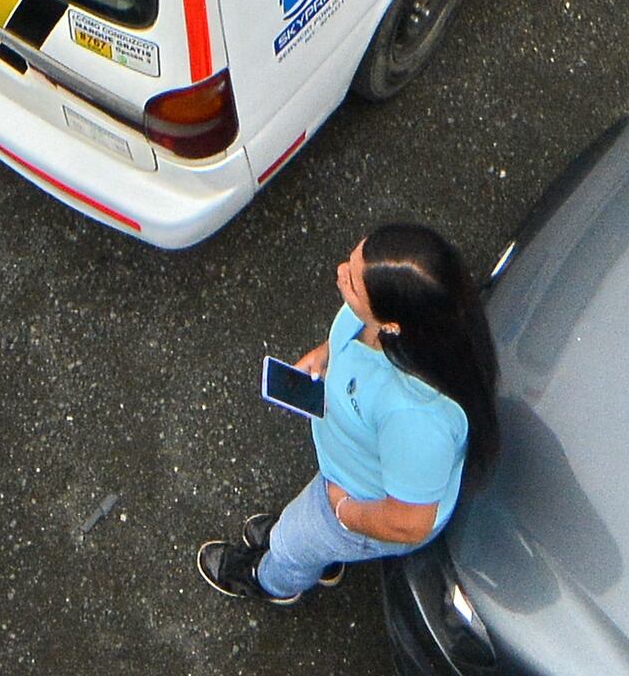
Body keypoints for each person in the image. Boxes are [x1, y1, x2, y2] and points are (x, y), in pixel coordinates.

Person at [203, 223, 494, 605]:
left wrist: (343, 512)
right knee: (305, 534)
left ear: (393, 323)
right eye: (353, 259)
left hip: (358, 501)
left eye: (353, 282)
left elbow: (407, 523)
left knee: (291, 546)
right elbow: (352, 329)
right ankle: (322, 555)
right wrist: (328, 353)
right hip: (346, 476)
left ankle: (269, 581)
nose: (341, 271)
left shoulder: (417, 418)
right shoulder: (397, 319)